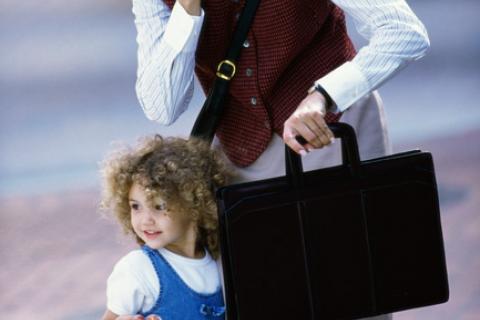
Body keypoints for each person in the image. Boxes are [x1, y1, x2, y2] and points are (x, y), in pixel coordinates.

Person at [130, 1, 430, 319]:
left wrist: (325, 95)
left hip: (331, 131)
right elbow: (162, 106)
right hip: (240, 149)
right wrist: (187, 9)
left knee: (350, 290)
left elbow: (404, 31)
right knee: (262, 298)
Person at [99, 135, 231, 320]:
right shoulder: (138, 269)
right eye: (136, 206)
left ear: (194, 205)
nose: (145, 220)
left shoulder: (217, 260)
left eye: (159, 207)